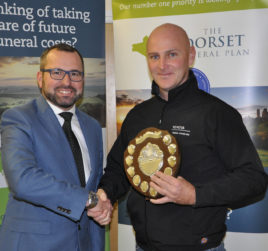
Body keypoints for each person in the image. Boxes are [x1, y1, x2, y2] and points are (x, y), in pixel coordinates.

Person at [93, 23, 268, 251]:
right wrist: (105, 194)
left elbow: (254, 179)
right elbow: (118, 168)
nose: (162, 65)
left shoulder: (217, 114)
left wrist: (195, 195)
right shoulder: (138, 115)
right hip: (143, 246)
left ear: (191, 55)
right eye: (154, 56)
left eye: (172, 54)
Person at [0, 43, 112, 251]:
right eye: (57, 72)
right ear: (40, 78)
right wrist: (88, 199)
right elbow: (23, 180)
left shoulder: (92, 126)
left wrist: (100, 204)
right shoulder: (19, 119)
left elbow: (92, 187)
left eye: (75, 73)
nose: (67, 81)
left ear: (83, 80)